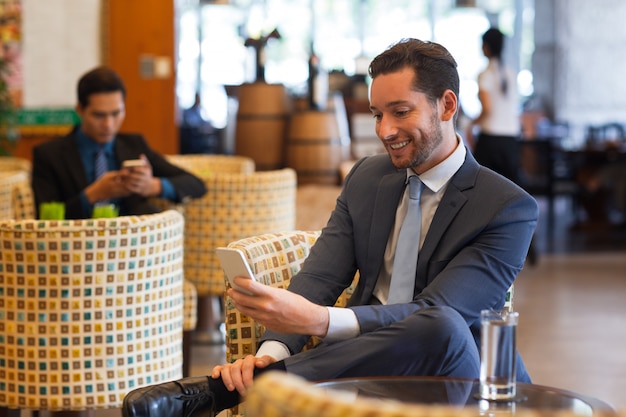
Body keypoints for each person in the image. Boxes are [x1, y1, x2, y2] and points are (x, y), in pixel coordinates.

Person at [122, 38, 538, 417]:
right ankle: (269, 377)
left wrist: (320, 321)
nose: (385, 131)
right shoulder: (368, 177)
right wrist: (271, 351)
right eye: (377, 115)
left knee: (443, 325)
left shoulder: (507, 208)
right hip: (361, 368)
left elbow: (434, 313)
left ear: (446, 106)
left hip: (456, 385)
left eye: (400, 112)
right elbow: (320, 275)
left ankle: (223, 393)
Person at [32, 66, 207, 219]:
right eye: (99, 115)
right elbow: (45, 218)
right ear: (80, 110)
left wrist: (152, 186)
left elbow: (195, 184)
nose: (108, 124)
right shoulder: (49, 154)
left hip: (132, 245)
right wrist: (92, 195)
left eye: (116, 113)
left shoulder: (134, 145)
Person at [467, 28, 538, 264]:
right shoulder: (510, 72)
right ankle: (531, 247)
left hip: (490, 140)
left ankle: (481, 245)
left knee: (478, 193)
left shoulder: (485, 74)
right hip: (510, 142)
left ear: (486, 47)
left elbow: (487, 111)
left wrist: (469, 124)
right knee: (517, 194)